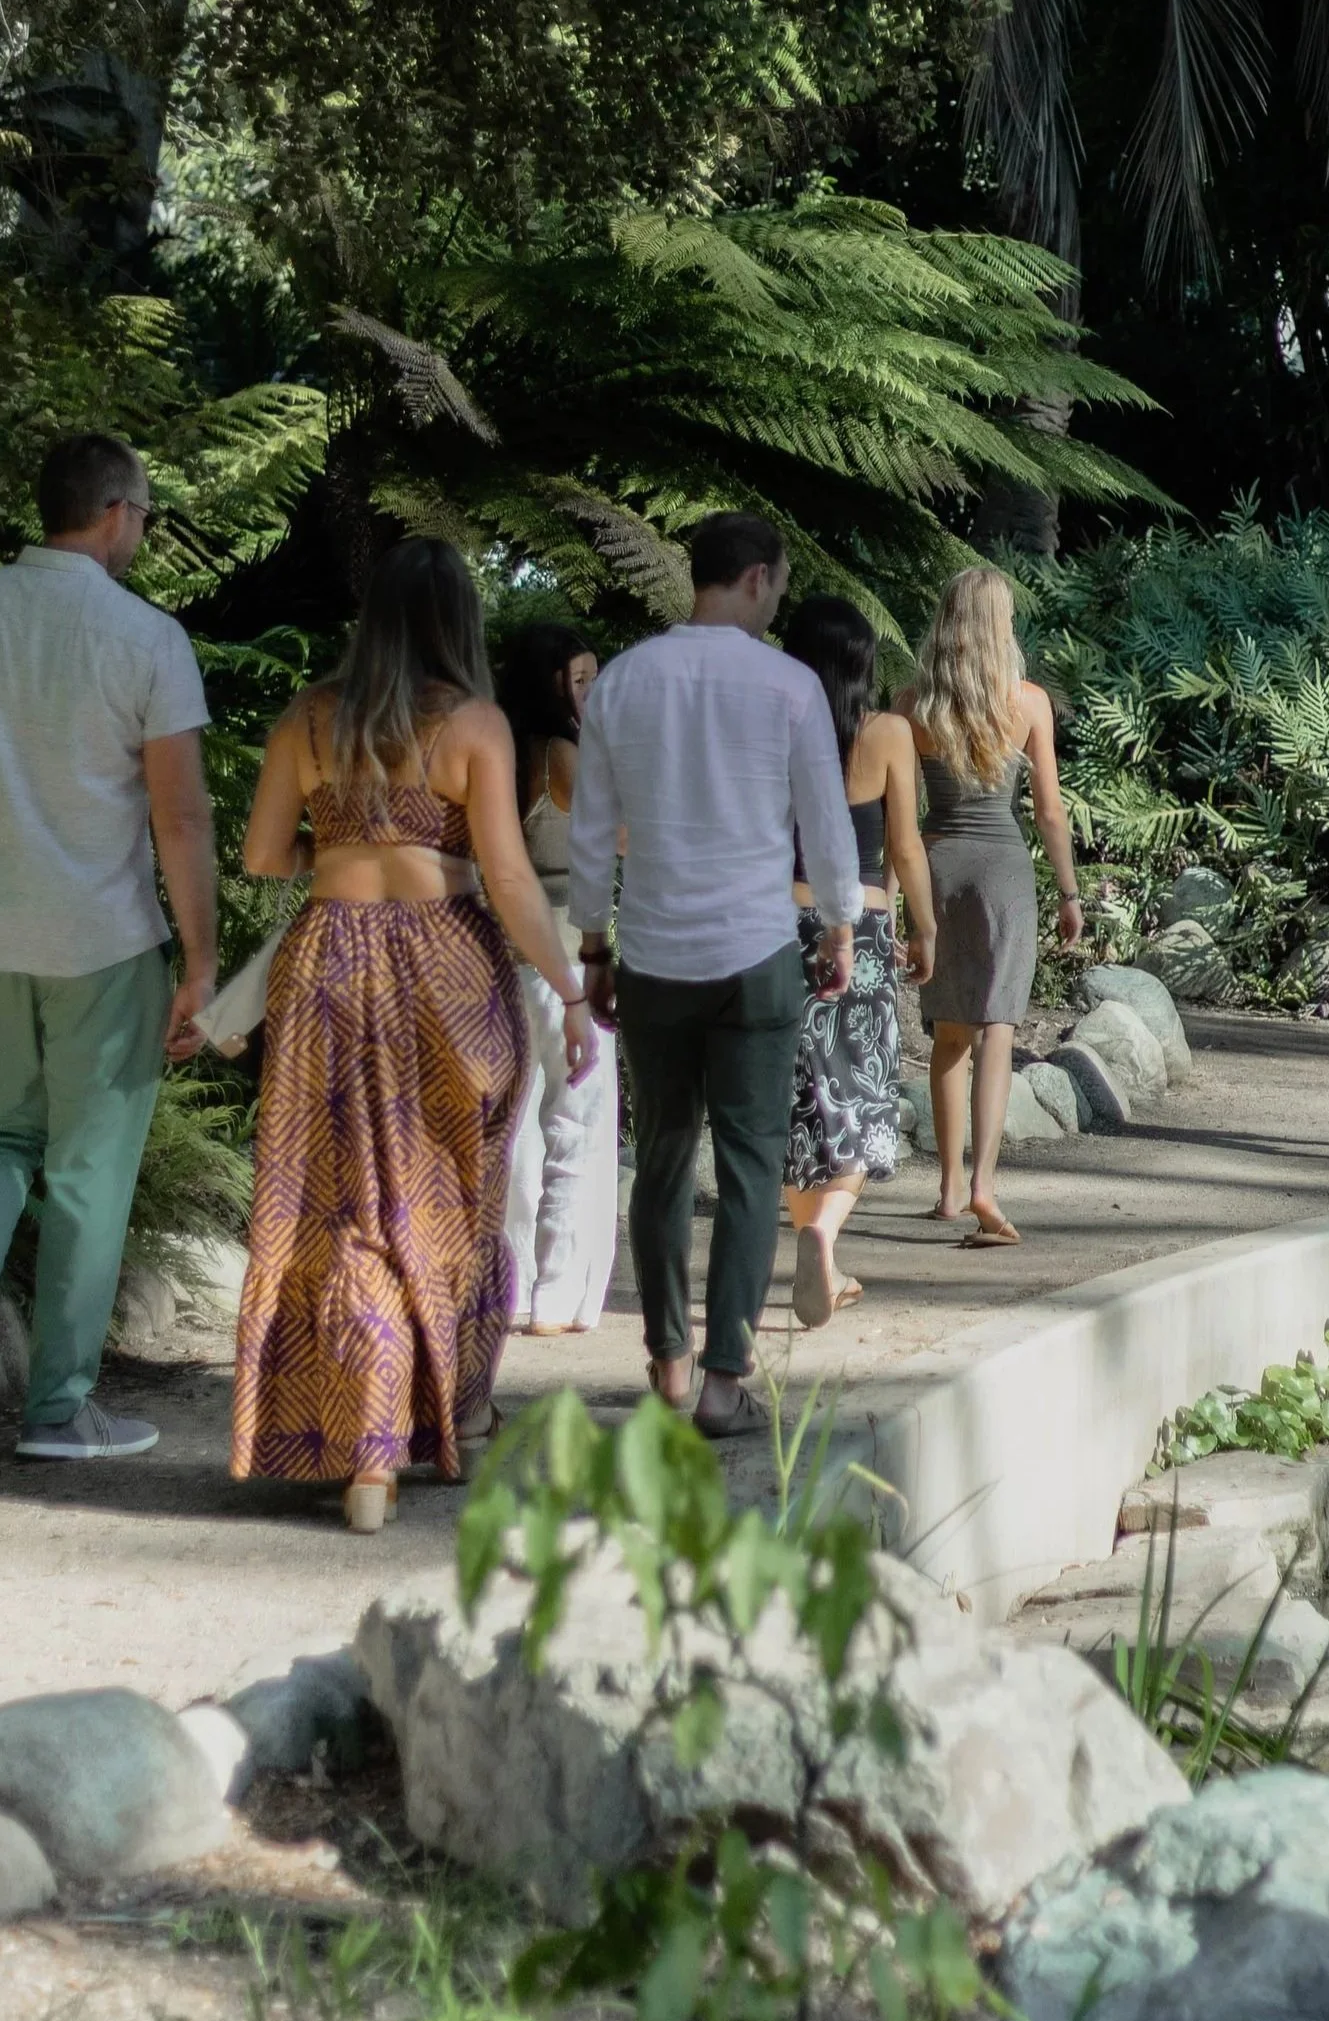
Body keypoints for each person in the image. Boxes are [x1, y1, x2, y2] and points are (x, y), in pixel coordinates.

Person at [232, 541, 597, 1532]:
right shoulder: (473, 723)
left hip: (328, 962)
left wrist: (347, 841)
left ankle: (364, 1455)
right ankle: (454, 1419)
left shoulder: (310, 716)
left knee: (337, 1196)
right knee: (453, 1190)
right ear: (455, 621)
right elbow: (511, 877)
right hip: (447, 964)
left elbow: (265, 853)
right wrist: (568, 989)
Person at [0, 432, 216, 1462]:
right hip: (104, 939)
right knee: (88, 1167)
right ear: (116, 512)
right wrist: (202, 961)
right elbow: (181, 815)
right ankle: (60, 1411)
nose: (144, 535)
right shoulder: (146, 636)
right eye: (146, 517)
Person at [568, 511, 860, 1439]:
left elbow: (590, 828)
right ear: (759, 579)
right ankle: (727, 1377)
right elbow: (823, 814)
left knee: (657, 1159)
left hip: (653, 952)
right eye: (777, 583)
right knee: (748, 1165)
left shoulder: (621, 680)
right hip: (757, 952)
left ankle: (666, 1357)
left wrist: (592, 944)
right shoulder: (789, 686)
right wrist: (842, 923)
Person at [899, 564, 1084, 1247]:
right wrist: (1069, 892)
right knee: (996, 1029)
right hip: (1004, 868)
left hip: (939, 863)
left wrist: (893, 899)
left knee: (948, 1034)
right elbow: (1051, 813)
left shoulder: (911, 703)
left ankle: (948, 1189)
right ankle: (983, 1184)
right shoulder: (1030, 701)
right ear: (999, 626)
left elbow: (900, 818)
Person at [779, 596, 937, 1327]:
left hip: (779, 920)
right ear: (864, 663)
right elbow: (904, 845)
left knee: (793, 1093)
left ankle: (821, 1254)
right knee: (864, 1095)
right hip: (863, 927)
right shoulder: (888, 734)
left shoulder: (771, 726)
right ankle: (823, 1234)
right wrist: (925, 927)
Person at [495, 624, 620, 1336]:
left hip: (504, 959)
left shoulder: (502, 751)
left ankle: (512, 1285)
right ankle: (556, 1285)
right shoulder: (564, 756)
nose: (592, 689)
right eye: (581, 678)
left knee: (516, 1130)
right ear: (551, 684)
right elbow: (622, 833)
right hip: (568, 956)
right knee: (575, 1123)